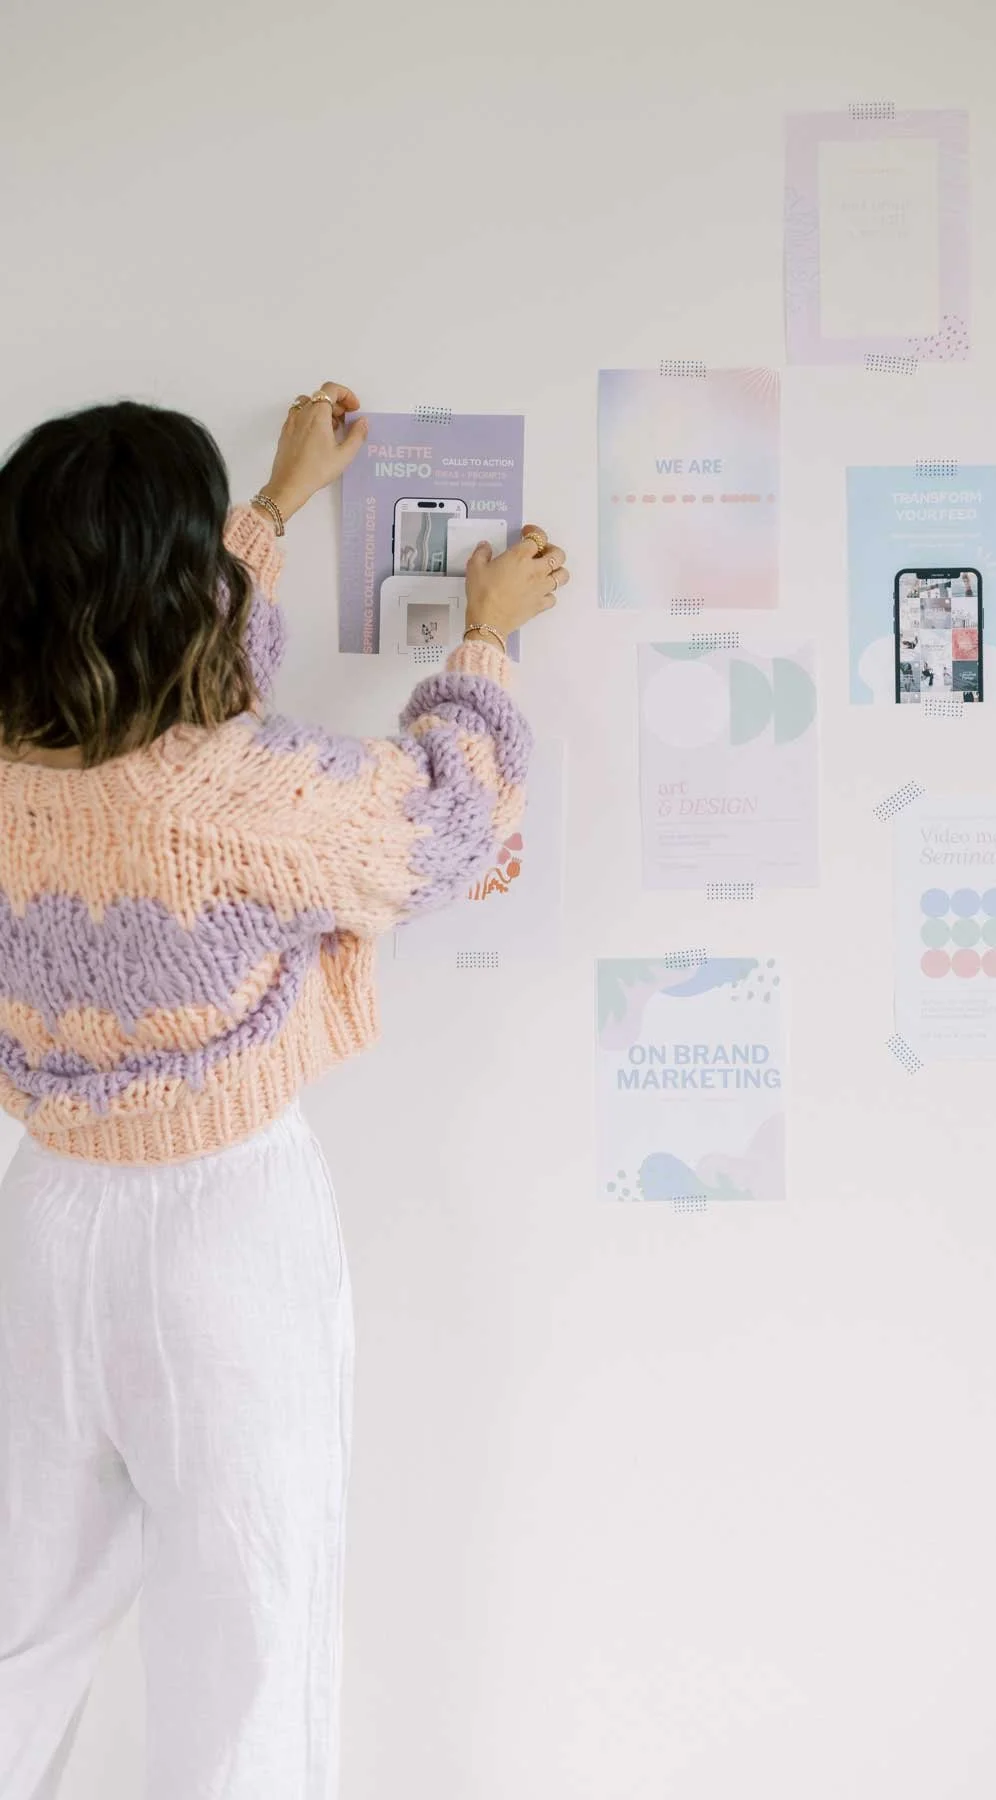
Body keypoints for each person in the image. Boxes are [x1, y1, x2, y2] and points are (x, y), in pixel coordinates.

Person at [0, 383, 569, 1800]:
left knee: (14, 1634)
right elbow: (445, 825)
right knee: (245, 1638)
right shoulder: (237, 794)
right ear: (173, 582)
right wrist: (487, 642)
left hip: (42, 1221)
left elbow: (166, 672)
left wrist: (274, 507)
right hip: (221, 1232)